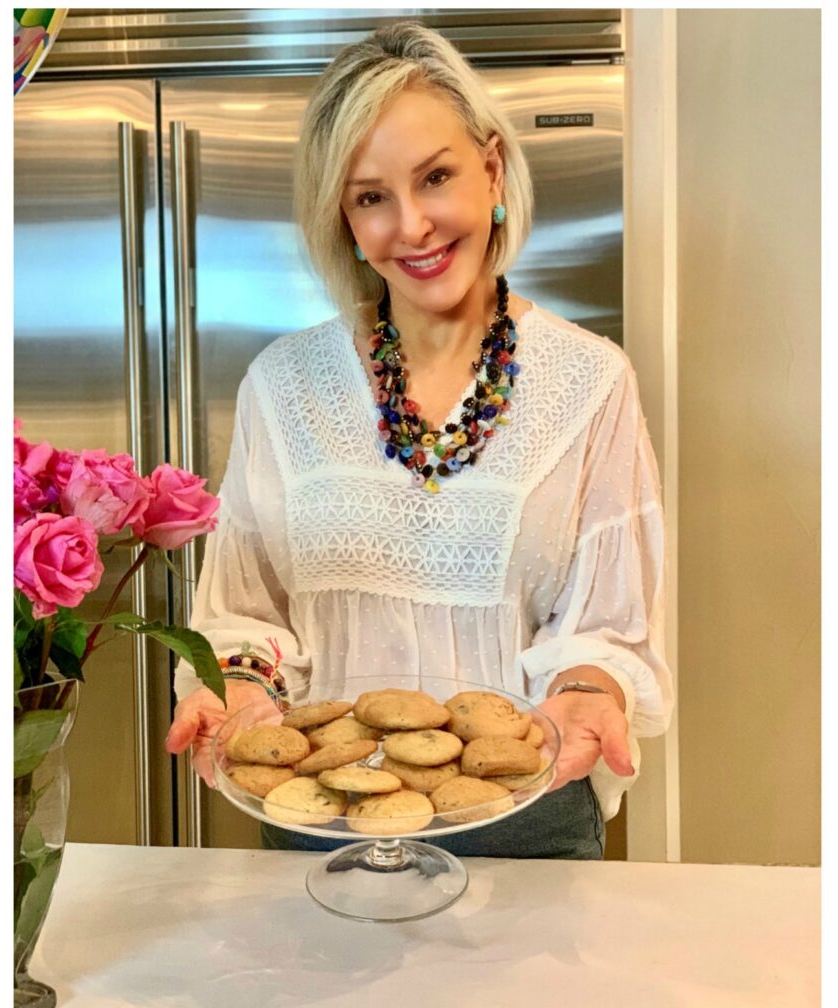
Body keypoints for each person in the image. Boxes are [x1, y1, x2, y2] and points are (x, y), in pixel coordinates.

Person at [166, 22, 674, 859]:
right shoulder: (282, 385)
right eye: (371, 196)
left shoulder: (590, 383)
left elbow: (607, 624)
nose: (412, 226)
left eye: (434, 177)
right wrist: (244, 689)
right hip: (323, 815)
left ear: (491, 168)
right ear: (344, 218)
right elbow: (243, 608)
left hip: (530, 813)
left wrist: (590, 686)